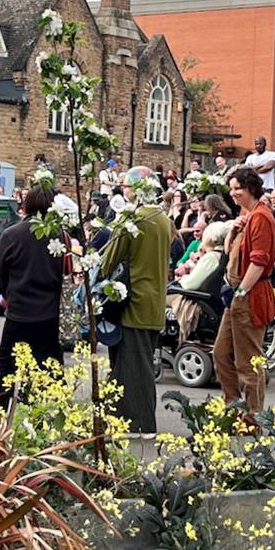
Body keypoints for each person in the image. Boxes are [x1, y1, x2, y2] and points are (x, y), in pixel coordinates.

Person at [100, 167, 175, 433]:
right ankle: (131, 420)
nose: (124, 190)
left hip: (133, 303)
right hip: (155, 303)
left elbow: (107, 261)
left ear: (137, 189)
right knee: (141, 364)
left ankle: (137, 423)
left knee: (130, 367)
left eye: (127, 185)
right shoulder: (164, 220)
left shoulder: (132, 218)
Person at [213, 167, 275, 416]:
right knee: (221, 354)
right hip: (238, 296)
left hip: (249, 296)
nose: (233, 193)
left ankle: (252, 417)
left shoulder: (261, 217)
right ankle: (234, 409)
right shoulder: (250, 216)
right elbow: (229, 251)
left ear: (250, 188)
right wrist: (233, 229)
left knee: (249, 362)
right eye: (231, 189)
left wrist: (241, 291)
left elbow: (259, 261)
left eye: (237, 188)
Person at [0, 186, 65, 405]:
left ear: (27, 205)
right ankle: (49, 416)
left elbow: (1, 276)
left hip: (19, 313)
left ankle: (4, 417)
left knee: (7, 367)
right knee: (49, 367)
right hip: (50, 314)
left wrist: (10, 298)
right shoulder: (60, 236)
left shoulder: (11, 235)